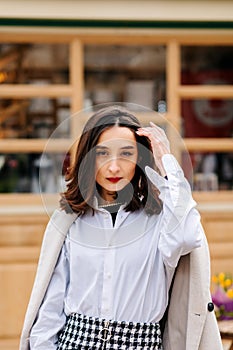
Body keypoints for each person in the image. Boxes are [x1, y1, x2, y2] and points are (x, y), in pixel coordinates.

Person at [20, 105, 222, 350]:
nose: (114, 167)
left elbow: (188, 238)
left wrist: (167, 162)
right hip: (74, 343)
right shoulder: (70, 221)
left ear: (140, 158)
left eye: (126, 153)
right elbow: (51, 310)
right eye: (102, 153)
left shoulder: (161, 220)